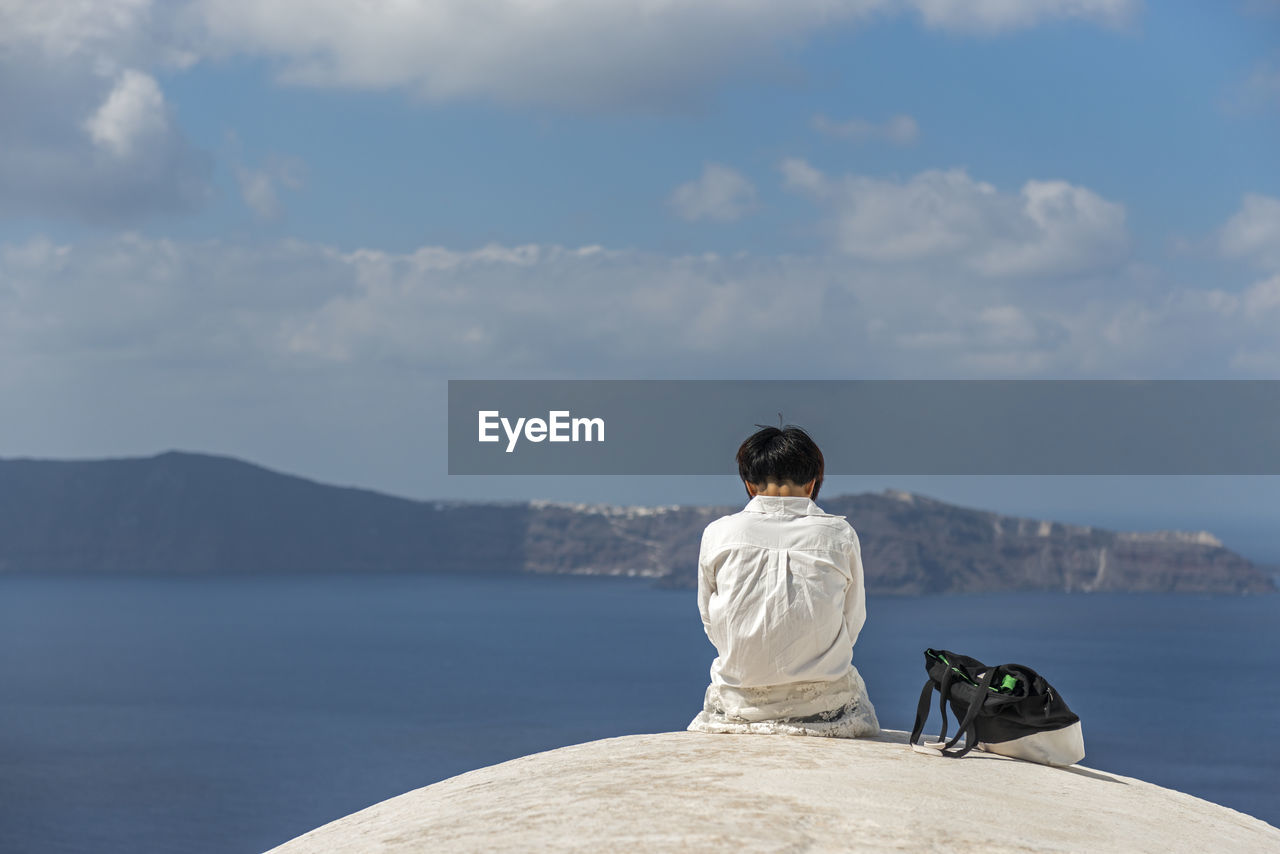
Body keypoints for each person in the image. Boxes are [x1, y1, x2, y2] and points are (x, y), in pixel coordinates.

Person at [687, 424, 880, 738]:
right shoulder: (838, 534)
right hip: (821, 705)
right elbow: (853, 618)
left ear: (749, 484)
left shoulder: (719, 533)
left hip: (741, 702)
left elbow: (711, 621)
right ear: (813, 481)